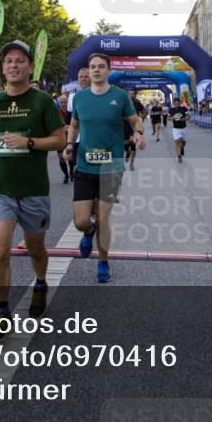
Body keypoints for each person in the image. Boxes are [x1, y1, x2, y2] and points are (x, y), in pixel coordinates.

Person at [0, 41, 67, 340]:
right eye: (9, 61)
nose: (14, 65)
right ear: (3, 68)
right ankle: (2, 312)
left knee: (36, 248)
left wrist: (30, 143)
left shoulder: (42, 101)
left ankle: (40, 282)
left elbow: (60, 140)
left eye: (20, 61)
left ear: (28, 66)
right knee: (0, 251)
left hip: (34, 189)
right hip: (1, 187)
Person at [63, 53, 145, 283]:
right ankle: (87, 233)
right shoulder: (80, 98)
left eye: (100, 67)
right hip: (85, 165)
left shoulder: (119, 96)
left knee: (102, 218)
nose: (96, 70)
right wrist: (69, 144)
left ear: (108, 70)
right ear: (88, 71)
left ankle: (103, 262)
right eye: (92, 67)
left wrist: (138, 133)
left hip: (111, 166)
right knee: (81, 221)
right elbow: (74, 124)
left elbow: (134, 120)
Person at [123, 89, 146, 171]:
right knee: (125, 143)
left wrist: (141, 117)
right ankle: (127, 152)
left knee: (133, 144)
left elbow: (144, 111)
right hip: (124, 125)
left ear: (135, 95)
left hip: (134, 126)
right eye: (130, 93)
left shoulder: (137, 103)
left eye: (133, 94)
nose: (131, 95)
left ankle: (131, 164)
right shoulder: (123, 102)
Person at [57, 93, 74, 183]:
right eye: (61, 102)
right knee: (61, 158)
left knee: (70, 157)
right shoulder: (56, 112)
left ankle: (71, 172)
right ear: (59, 103)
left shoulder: (71, 112)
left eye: (65, 102)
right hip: (60, 138)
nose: (63, 104)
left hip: (69, 138)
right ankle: (66, 175)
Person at [168, 96, 190, 162]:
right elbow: (168, 117)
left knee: (183, 142)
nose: (177, 104)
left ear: (180, 103)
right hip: (176, 128)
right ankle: (179, 156)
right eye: (175, 103)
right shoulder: (171, 110)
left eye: (178, 103)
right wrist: (172, 118)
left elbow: (189, 116)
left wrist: (184, 119)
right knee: (177, 141)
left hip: (183, 127)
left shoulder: (184, 108)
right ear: (174, 103)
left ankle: (182, 148)